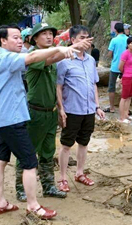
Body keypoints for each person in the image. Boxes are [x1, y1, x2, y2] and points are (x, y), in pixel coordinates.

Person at [0, 24, 79, 220]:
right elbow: (31, 57)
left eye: (21, 37)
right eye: (14, 37)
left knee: (0, 160)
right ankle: (33, 205)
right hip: (13, 119)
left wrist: (62, 50)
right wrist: (59, 48)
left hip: (2, 119)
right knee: (30, 162)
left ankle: (1, 202)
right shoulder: (8, 58)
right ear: (3, 41)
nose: (20, 40)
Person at [14, 23, 92, 202]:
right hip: (35, 112)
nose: (49, 37)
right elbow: (52, 59)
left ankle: (48, 186)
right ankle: (21, 189)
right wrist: (71, 47)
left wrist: (59, 109)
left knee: (48, 152)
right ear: (34, 39)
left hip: (50, 112)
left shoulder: (53, 56)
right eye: (44, 34)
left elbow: (57, 85)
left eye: (51, 34)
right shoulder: (33, 57)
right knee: (28, 152)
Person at [56, 25, 106, 192]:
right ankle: (62, 178)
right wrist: (61, 109)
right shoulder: (64, 60)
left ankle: (79, 173)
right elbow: (59, 86)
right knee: (66, 144)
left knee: (84, 143)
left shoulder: (91, 61)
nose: (85, 41)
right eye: (81, 38)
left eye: (87, 37)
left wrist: (97, 106)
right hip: (71, 110)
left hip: (88, 110)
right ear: (72, 40)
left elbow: (94, 85)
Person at [105, 22, 128, 113]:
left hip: (115, 67)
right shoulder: (129, 39)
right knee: (125, 87)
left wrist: (114, 56)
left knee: (111, 87)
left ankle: (112, 108)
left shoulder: (114, 40)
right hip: (125, 67)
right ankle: (126, 108)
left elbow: (109, 54)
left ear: (116, 30)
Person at [118, 37, 132, 123]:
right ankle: (122, 118)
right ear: (128, 44)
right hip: (127, 77)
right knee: (124, 97)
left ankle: (126, 114)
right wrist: (124, 73)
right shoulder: (125, 53)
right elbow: (120, 67)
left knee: (129, 96)